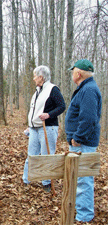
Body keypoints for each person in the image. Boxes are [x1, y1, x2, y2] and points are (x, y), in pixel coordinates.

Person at [65, 59, 101, 222]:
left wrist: (78, 138)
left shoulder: (89, 90)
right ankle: (81, 211)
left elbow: (88, 118)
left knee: (83, 180)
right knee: (80, 178)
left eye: (73, 71)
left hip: (83, 143)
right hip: (81, 142)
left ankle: (84, 215)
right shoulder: (86, 88)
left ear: (78, 73)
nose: (72, 74)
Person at [22, 65, 65, 192]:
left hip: (48, 128)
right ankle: (26, 179)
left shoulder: (53, 89)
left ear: (41, 77)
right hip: (34, 128)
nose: (34, 78)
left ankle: (46, 182)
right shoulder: (37, 91)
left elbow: (62, 106)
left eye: (35, 76)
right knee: (31, 155)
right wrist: (30, 125)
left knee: (47, 155)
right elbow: (34, 110)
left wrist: (49, 115)